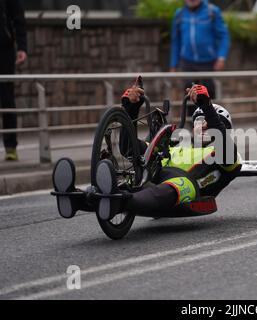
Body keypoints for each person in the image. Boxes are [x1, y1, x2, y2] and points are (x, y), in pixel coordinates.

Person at [51, 83, 241, 220]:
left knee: (175, 186)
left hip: (186, 187)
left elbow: (223, 143)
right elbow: (129, 149)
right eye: (200, 122)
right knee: (129, 182)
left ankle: (119, 199)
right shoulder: (176, 147)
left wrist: (207, 107)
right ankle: (74, 198)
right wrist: (130, 109)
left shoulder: (228, 156)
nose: (205, 126)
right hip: (151, 179)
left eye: (210, 122)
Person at [170, 0, 230, 100]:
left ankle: (209, 115)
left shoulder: (212, 12)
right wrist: (173, 65)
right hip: (188, 63)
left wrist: (221, 57)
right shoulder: (180, 14)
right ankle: (191, 116)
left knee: (209, 95)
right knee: (189, 96)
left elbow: (223, 35)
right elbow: (176, 41)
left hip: (208, 63)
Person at [0, 0, 27, 161]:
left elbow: (18, 18)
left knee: (7, 98)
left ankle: (10, 147)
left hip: (5, 50)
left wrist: (22, 47)